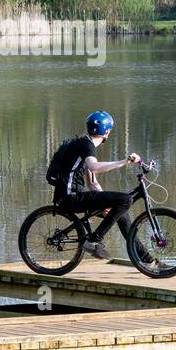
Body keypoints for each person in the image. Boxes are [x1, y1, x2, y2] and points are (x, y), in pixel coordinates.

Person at [50, 110, 143, 261]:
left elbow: (92, 180)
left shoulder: (84, 144)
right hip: (70, 198)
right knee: (125, 199)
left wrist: (106, 203)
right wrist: (124, 162)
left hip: (71, 196)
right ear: (106, 132)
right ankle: (94, 240)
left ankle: (146, 259)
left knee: (121, 210)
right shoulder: (86, 144)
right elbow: (94, 167)